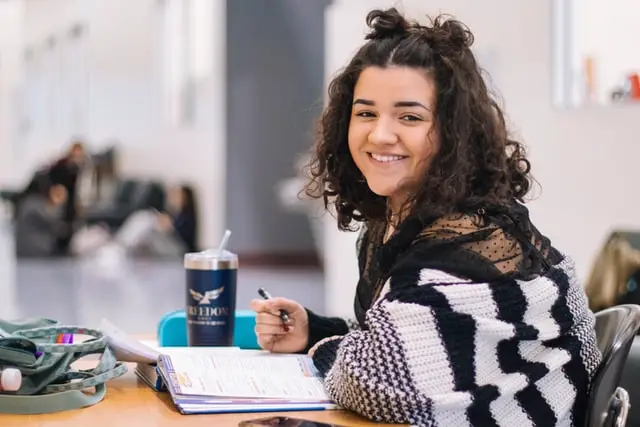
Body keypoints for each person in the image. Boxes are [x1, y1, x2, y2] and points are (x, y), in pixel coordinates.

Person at [250, 8, 601, 426]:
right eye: (365, 113)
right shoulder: (399, 221)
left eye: (410, 117)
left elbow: (371, 380)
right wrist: (314, 329)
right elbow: (417, 335)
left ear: (452, 133)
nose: (380, 134)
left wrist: (321, 349)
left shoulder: (466, 243)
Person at [47, 140, 88, 253]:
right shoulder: (62, 164)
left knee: (71, 215)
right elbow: (54, 182)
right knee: (63, 216)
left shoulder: (78, 165)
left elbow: (76, 187)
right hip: (58, 192)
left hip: (69, 195)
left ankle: (67, 243)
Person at [14, 183, 69, 257]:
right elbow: (52, 223)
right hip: (35, 253)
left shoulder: (30, 203)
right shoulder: (34, 205)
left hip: (31, 253)